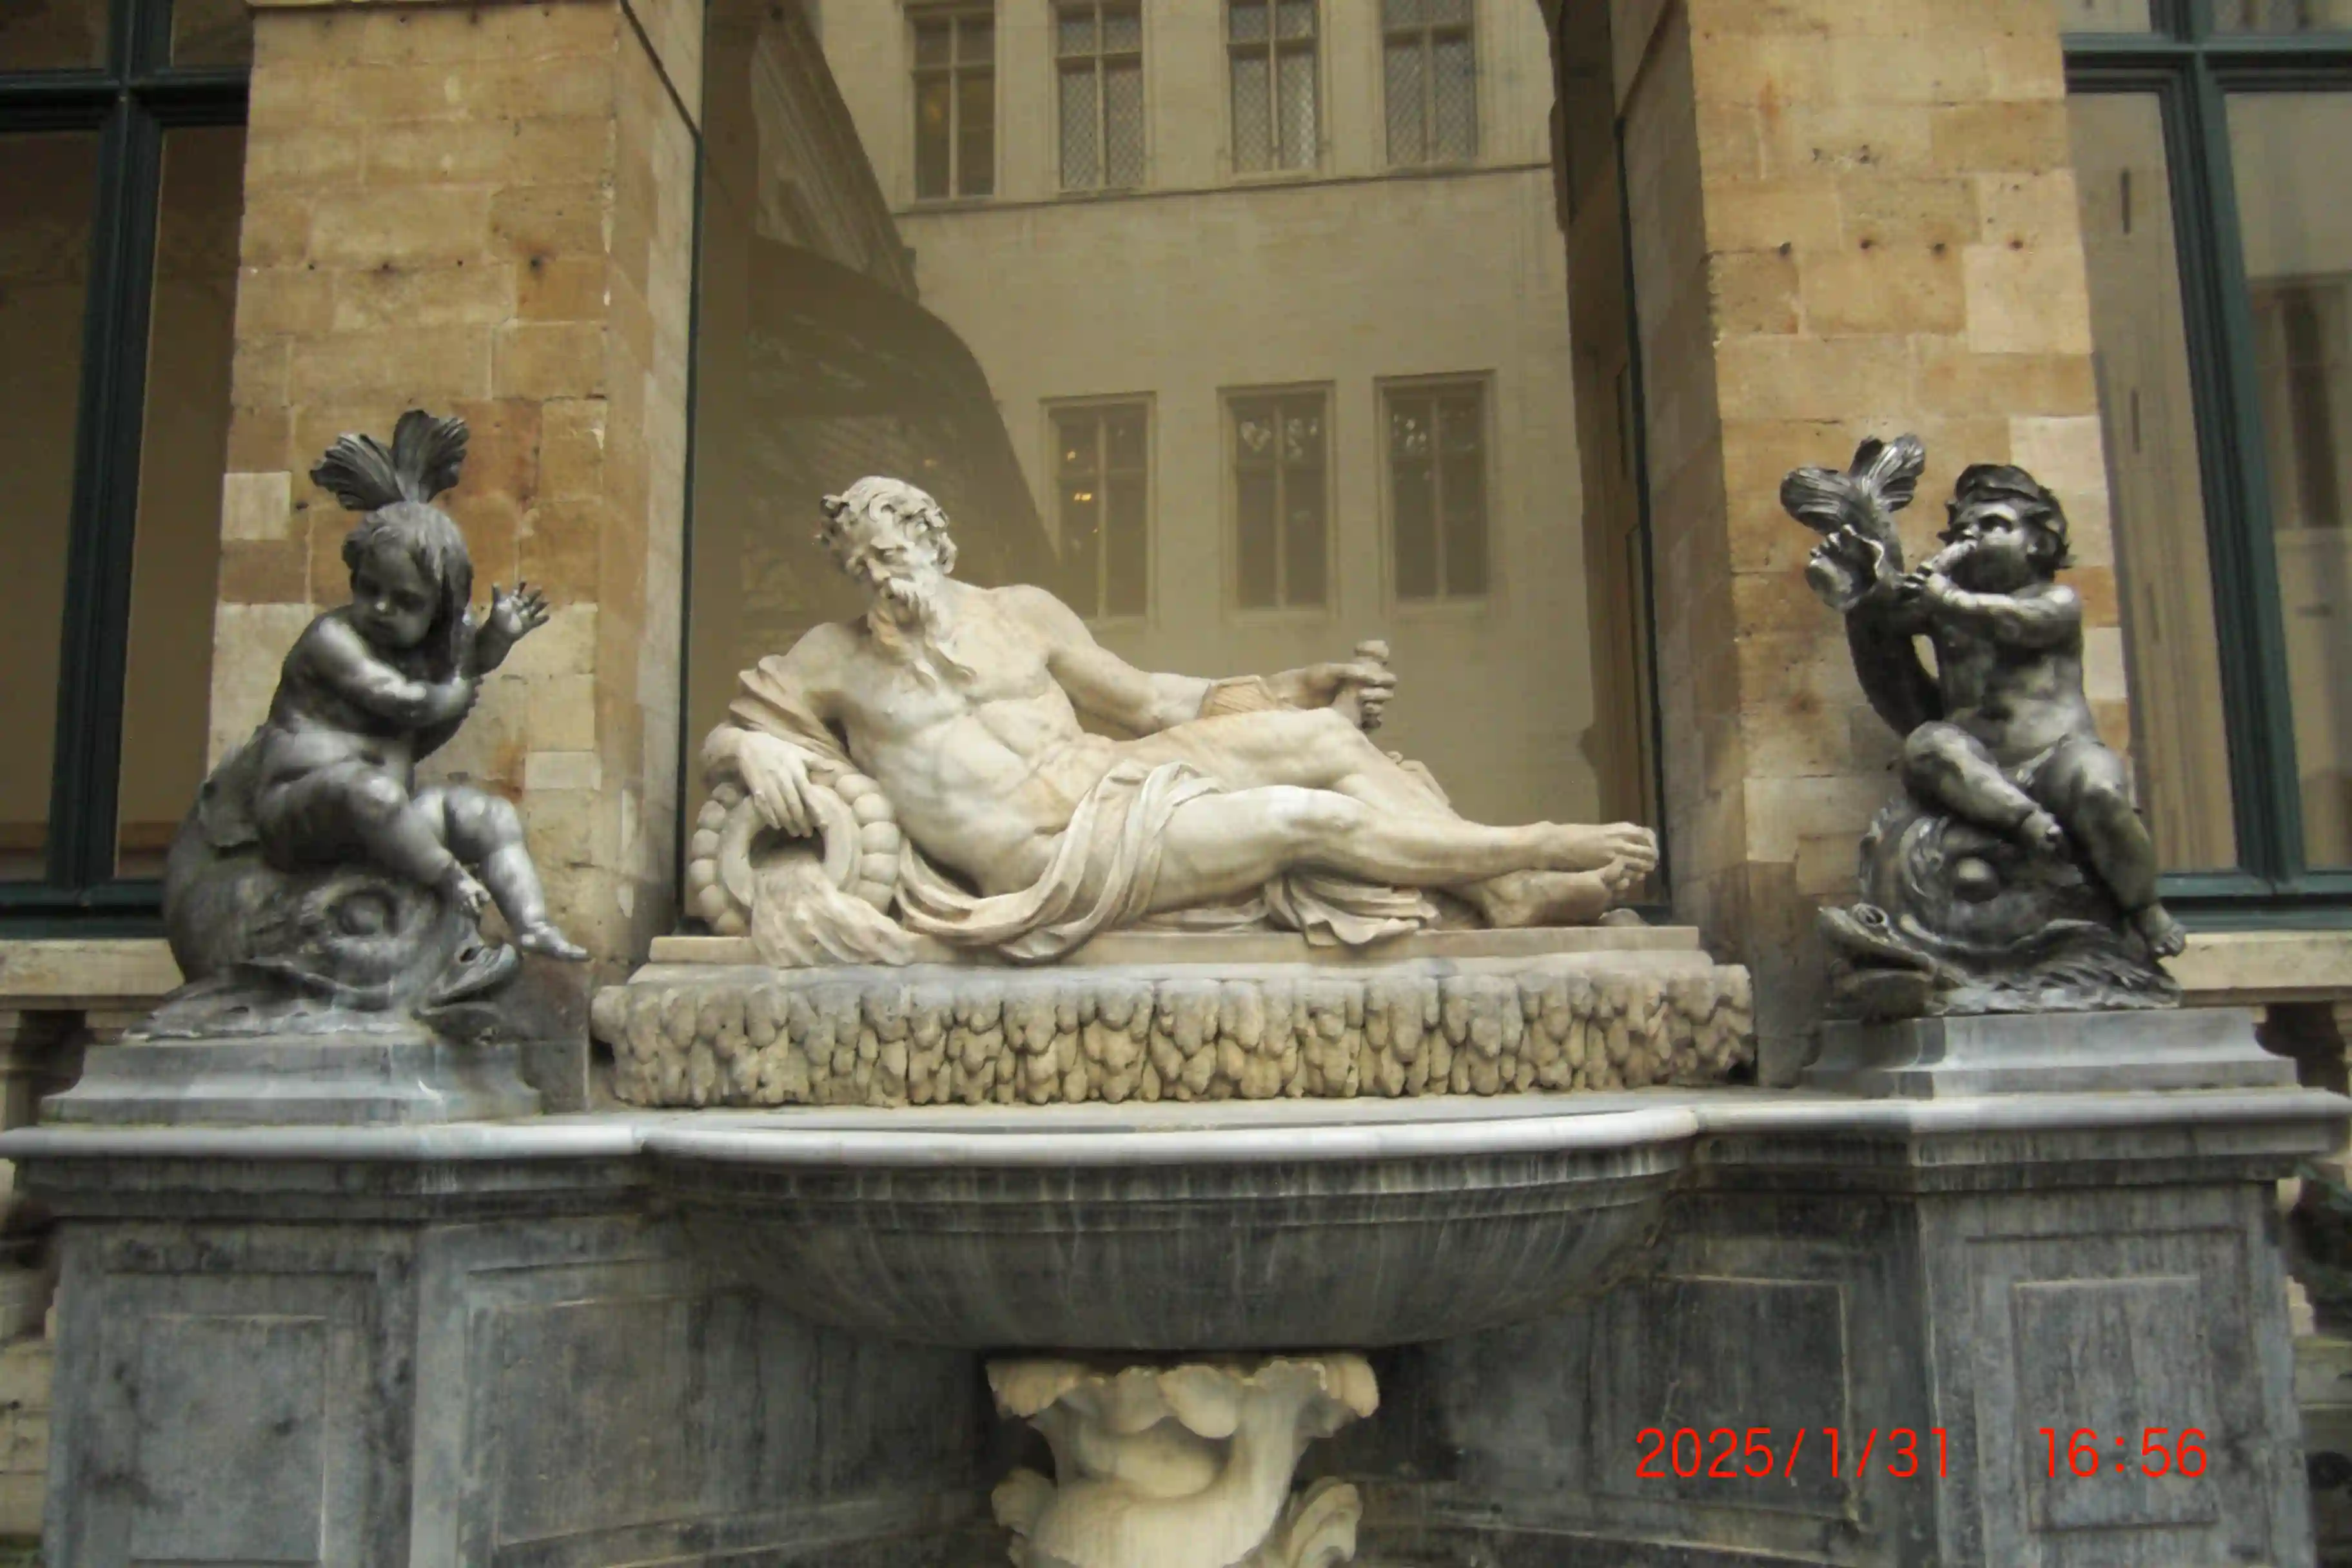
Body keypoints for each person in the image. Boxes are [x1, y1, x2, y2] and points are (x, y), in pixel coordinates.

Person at [704, 477, 1657, 959]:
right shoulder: (834, 659)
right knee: (1305, 818)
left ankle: (1505, 892)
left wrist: (1292, 682)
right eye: (859, 567)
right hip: (1052, 856)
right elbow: (727, 733)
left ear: (930, 540)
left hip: (1114, 774)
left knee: (1324, 736)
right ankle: (1533, 845)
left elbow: (1151, 701)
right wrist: (752, 748)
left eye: (887, 554)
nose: (877, 578)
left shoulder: (1022, 613)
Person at [217, 413, 587, 961]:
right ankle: (450, 881)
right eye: (370, 590)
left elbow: (463, 668)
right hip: (302, 813)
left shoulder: (424, 653)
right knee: (371, 792)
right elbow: (405, 702)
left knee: (490, 818)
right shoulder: (333, 640)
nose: (382, 608)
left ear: (437, 610)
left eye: (406, 601)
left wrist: (495, 638)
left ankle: (532, 924)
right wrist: (458, 681)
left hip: (386, 822)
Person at [1888, 464, 2186, 958]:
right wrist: (1873, 594)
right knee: (1927, 746)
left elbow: (2018, 624)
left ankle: (2144, 906)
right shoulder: (1944, 610)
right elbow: (1889, 641)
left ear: (2038, 542)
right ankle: (2030, 823)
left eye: (1993, 525)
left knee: (2099, 790)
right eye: (1963, 530)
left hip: (2059, 757)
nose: (1973, 538)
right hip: (1983, 770)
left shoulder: (2055, 600)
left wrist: (1945, 599)